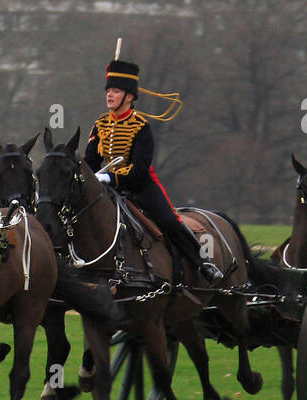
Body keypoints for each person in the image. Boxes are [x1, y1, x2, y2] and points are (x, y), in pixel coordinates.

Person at [84, 57, 224, 285]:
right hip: (107, 189)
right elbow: (90, 161)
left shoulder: (141, 127)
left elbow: (139, 169)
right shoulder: (100, 125)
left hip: (140, 187)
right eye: (108, 90)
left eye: (116, 90)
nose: (109, 95)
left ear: (129, 96)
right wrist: (91, 178)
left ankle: (204, 264)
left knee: (169, 221)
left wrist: (110, 176)